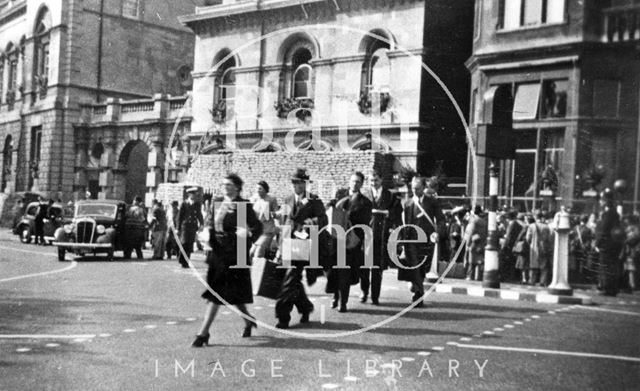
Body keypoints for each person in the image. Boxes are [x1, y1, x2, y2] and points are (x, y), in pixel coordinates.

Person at [192, 174, 263, 347]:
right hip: (217, 252)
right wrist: (206, 233)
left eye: (229, 184)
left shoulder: (243, 205)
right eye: (224, 183)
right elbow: (209, 222)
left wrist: (249, 233)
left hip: (235, 252)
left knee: (219, 294)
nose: (225, 186)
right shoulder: (217, 202)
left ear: (237, 187)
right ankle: (248, 320)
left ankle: (203, 333)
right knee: (230, 293)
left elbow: (258, 227)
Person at [274, 168, 327, 329]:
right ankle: (305, 307)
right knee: (292, 280)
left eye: (299, 182)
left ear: (305, 184)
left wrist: (308, 223)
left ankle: (283, 317)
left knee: (290, 280)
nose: (296, 185)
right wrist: (279, 247)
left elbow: (323, 219)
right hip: (289, 244)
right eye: (293, 182)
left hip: (305, 246)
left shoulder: (314, 200)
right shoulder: (288, 200)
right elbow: (284, 224)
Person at [398, 176, 444, 307]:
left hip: (427, 241)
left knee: (422, 267)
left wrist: (437, 232)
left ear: (424, 188)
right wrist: (402, 242)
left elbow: (440, 219)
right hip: (412, 240)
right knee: (415, 266)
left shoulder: (432, 202)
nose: (415, 191)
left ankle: (416, 287)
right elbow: (404, 223)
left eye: (417, 188)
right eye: (413, 188)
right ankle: (418, 294)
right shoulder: (408, 203)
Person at [332, 171, 372, 312]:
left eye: (358, 182)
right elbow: (332, 210)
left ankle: (343, 302)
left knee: (345, 272)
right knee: (335, 271)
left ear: (361, 184)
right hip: (336, 238)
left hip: (351, 242)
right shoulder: (340, 194)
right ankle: (336, 296)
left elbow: (364, 225)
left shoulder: (365, 202)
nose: (354, 184)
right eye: (353, 181)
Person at [361, 169, 401, 305]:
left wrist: (389, 214)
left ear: (381, 180)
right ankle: (364, 292)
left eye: (376, 180)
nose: (373, 183)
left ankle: (375, 296)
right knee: (365, 267)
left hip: (381, 236)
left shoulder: (389, 196)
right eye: (371, 180)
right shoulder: (364, 195)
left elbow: (397, 212)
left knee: (377, 269)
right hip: (367, 235)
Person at [595, 189, 625, 296]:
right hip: (615, 245)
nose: (600, 202)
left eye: (602, 200)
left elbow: (603, 231)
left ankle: (606, 288)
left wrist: (597, 243)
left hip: (607, 245)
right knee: (613, 266)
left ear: (605, 201)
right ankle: (612, 288)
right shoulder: (615, 213)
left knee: (605, 266)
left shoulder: (608, 214)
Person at [249, 181, 279, 260]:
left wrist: (271, 214)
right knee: (251, 253)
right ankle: (256, 271)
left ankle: (258, 271)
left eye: (260, 189)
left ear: (265, 190)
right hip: (257, 231)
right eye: (257, 189)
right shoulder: (254, 199)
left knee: (258, 254)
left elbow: (277, 212)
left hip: (267, 231)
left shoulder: (271, 198)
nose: (258, 190)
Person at [526, 211, 553, 286]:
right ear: (541, 217)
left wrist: (531, 244)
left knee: (533, 266)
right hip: (543, 248)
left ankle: (532, 281)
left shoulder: (531, 226)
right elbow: (549, 239)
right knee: (544, 267)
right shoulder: (546, 227)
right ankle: (542, 282)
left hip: (534, 248)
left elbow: (528, 238)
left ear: (535, 217)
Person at [178, 188, 204, 268]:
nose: (194, 196)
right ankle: (181, 259)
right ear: (189, 194)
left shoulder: (197, 204)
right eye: (192, 194)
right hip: (185, 226)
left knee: (190, 244)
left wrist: (202, 224)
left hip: (193, 226)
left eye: (195, 194)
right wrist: (177, 227)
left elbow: (199, 214)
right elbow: (179, 217)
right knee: (184, 243)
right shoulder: (184, 203)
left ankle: (186, 262)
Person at [463, 206, 487, 281]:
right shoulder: (484, 221)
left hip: (474, 243)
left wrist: (468, 243)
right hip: (481, 243)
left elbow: (471, 232)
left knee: (472, 261)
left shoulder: (474, 221)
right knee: (479, 261)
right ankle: (479, 276)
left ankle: (470, 276)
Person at [501, 209, 524, 282]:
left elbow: (508, 236)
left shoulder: (512, 224)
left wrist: (504, 246)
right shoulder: (517, 224)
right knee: (513, 262)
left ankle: (509, 277)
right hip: (515, 245)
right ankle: (514, 277)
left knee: (508, 262)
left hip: (510, 246)